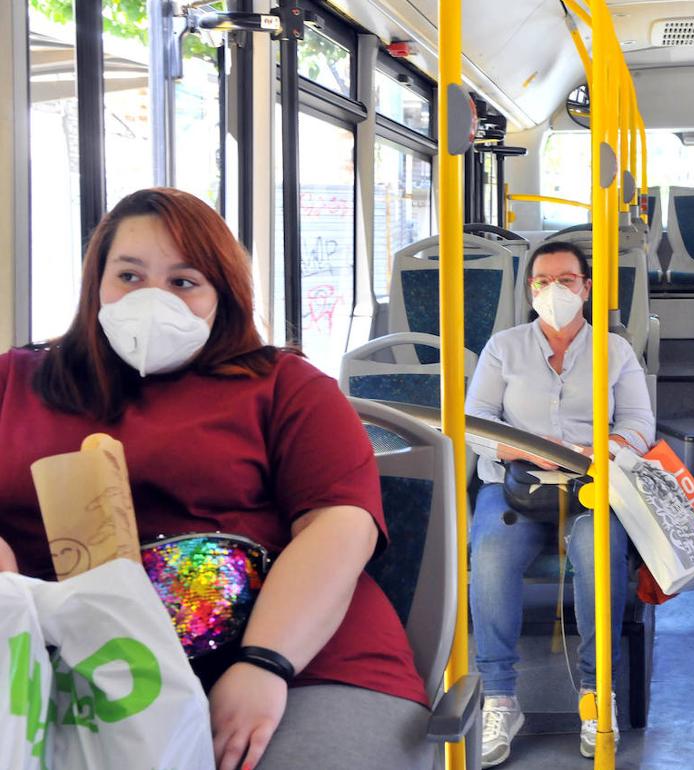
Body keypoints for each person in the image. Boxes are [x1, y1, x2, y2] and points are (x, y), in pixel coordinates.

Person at [0, 188, 429, 770]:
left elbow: (339, 526)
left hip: (291, 657)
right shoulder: (14, 382)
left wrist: (265, 664)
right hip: (49, 661)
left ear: (221, 294)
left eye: (183, 282)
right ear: (96, 284)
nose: (151, 299)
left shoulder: (286, 388)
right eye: (129, 275)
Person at [465, 241, 655, 767]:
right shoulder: (504, 347)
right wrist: (527, 450)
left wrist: (590, 451)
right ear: (529, 291)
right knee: (491, 557)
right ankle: (500, 696)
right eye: (541, 282)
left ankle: (597, 695)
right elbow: (475, 423)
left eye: (566, 280)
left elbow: (639, 426)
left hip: (591, 485)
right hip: (515, 484)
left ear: (586, 288)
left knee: (598, 555)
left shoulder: (614, 351)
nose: (554, 291)